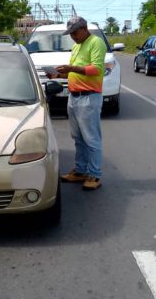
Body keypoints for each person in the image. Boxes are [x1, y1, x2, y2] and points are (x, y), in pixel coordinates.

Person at [46, 16, 105, 191]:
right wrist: (57, 75)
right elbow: (73, 73)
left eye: (75, 32)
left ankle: (94, 174)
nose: (73, 36)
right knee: (78, 138)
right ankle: (80, 171)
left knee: (91, 139)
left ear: (84, 28)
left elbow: (97, 69)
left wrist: (71, 68)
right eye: (70, 33)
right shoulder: (76, 46)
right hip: (74, 96)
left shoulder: (96, 42)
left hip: (89, 97)